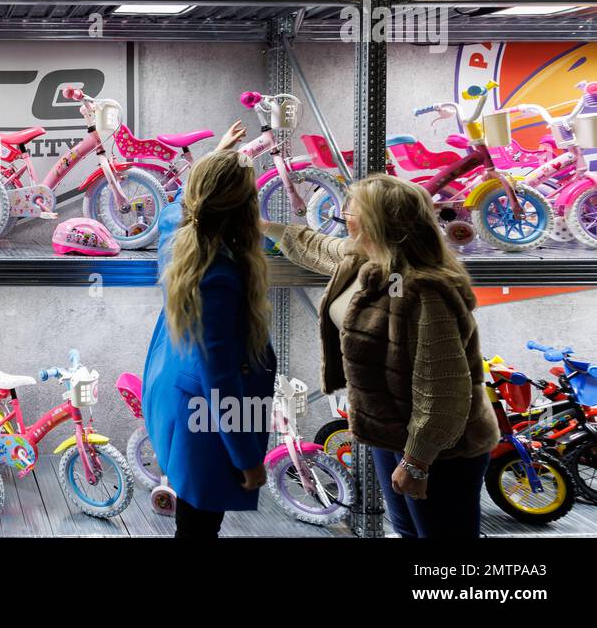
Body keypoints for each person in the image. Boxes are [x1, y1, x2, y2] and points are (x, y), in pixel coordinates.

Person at [264, 174, 498, 538]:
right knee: (408, 531)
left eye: (351, 210)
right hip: (391, 432)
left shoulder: (423, 290)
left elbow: (442, 391)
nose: (342, 215)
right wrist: (264, 226)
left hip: (440, 448)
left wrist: (417, 462)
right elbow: (319, 246)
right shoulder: (367, 262)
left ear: (377, 222)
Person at [143, 127, 276, 539]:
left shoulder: (179, 240)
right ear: (245, 207)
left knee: (194, 520)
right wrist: (247, 458)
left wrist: (216, 160)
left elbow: (177, 208)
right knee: (200, 528)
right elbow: (220, 377)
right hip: (209, 424)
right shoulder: (217, 273)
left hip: (182, 403)